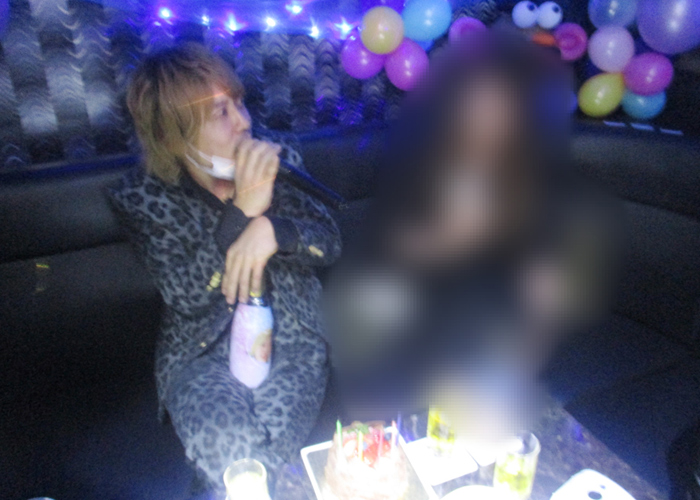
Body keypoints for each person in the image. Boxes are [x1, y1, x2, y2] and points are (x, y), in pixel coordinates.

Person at [326, 31, 619, 436]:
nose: (485, 122)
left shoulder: (537, 176)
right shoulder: (423, 159)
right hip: (418, 299)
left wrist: (544, 287)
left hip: (487, 320)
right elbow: (389, 251)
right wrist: (444, 242)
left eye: (501, 110)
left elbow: (539, 296)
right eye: (475, 108)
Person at [107, 42, 341, 497]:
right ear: (173, 136)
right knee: (227, 443)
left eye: (239, 103)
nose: (244, 121)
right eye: (220, 113)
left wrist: (276, 230)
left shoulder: (276, 158)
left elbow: (329, 241)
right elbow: (188, 294)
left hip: (292, 342)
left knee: (255, 461)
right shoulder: (143, 196)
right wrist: (243, 210)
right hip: (202, 353)